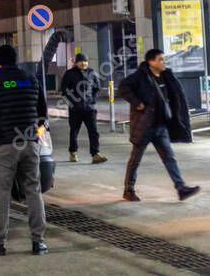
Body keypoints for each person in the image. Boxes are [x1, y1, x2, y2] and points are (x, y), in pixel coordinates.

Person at [0, 45, 47, 256]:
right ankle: (38, 242)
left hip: (4, 144)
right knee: (33, 190)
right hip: (30, 143)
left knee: (2, 192)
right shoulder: (31, 79)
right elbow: (42, 113)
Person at [117, 48, 200, 202]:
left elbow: (175, 96)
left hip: (161, 126)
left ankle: (181, 188)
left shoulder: (166, 76)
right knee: (135, 160)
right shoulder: (140, 77)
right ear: (151, 62)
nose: (164, 62)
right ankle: (128, 190)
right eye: (160, 59)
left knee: (169, 158)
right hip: (144, 126)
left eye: (164, 59)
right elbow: (123, 88)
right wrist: (137, 103)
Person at [60, 53, 107, 164]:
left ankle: (95, 154)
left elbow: (97, 88)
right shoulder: (69, 74)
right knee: (74, 131)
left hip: (89, 109)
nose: (83, 63)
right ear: (76, 62)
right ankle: (73, 152)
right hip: (75, 109)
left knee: (94, 131)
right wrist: (72, 102)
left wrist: (92, 100)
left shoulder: (92, 73)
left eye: (85, 61)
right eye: (81, 61)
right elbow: (64, 90)